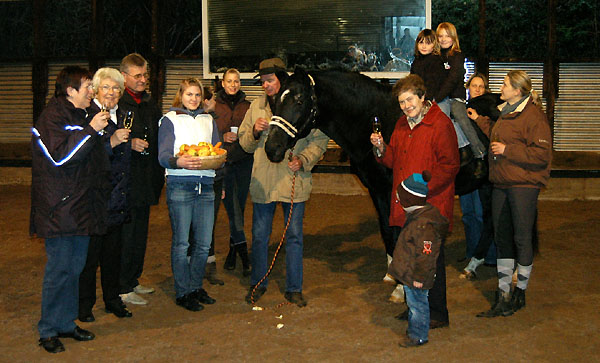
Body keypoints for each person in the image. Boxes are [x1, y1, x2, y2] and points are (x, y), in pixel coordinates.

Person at [371, 74, 459, 328]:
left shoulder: (440, 125)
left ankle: (437, 313)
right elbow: (394, 160)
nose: (406, 106)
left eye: (409, 100)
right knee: (409, 259)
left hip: (430, 207)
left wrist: (421, 190)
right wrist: (381, 149)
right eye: (401, 102)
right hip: (405, 206)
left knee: (430, 263)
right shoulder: (401, 125)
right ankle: (415, 307)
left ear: (422, 97)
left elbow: (450, 166)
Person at [238, 58, 329, 307]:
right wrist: (255, 132)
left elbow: (320, 140)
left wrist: (304, 159)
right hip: (264, 183)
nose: (266, 85)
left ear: (281, 78)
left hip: (293, 180)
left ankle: (294, 288)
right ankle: (258, 283)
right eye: (263, 82)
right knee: (259, 237)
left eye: (270, 80)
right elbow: (244, 143)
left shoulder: (301, 102)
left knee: (295, 237)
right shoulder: (256, 107)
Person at [31, 66, 109, 353]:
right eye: (88, 86)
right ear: (70, 91)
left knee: (74, 269)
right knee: (59, 271)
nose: (93, 91)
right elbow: (60, 157)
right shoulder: (52, 117)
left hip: (79, 207)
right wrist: (91, 131)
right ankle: (48, 330)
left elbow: (92, 157)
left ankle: (65, 322)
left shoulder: (80, 114)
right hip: (59, 209)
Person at [474, 70, 552, 318]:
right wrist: (479, 121)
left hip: (523, 185)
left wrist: (508, 150)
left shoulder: (533, 117)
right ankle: (504, 292)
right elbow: (499, 136)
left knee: (521, 238)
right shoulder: (506, 113)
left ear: (518, 91)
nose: (501, 88)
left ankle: (520, 291)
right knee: (503, 239)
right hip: (502, 183)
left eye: (505, 85)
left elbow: (542, 155)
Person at [158, 77, 220, 311]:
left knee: (203, 244)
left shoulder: (208, 120)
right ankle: (183, 291)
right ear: (180, 95)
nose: (193, 99)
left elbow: (216, 150)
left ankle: (195, 286)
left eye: (197, 95)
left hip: (206, 186)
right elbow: (163, 155)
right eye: (189, 94)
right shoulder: (169, 120)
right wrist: (178, 160)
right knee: (182, 243)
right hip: (180, 185)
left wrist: (216, 161)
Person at [78, 68, 133, 322]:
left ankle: (112, 300)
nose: (112, 93)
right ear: (96, 90)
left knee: (113, 255)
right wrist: (111, 144)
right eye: (106, 87)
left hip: (118, 197)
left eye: (116, 89)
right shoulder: (86, 116)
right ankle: (85, 306)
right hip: (94, 199)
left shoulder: (123, 115)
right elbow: (82, 154)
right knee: (90, 258)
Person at [118, 53, 165, 306]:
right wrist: (129, 144)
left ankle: (133, 279)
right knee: (126, 235)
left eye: (145, 75)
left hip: (147, 180)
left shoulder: (149, 103)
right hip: (126, 182)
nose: (142, 80)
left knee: (140, 234)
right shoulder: (117, 105)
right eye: (137, 76)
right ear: (124, 76)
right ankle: (122, 286)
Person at [388, 171, 449, 348]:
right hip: (411, 275)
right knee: (416, 305)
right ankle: (416, 330)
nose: (398, 200)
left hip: (416, 277)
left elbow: (425, 255)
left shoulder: (423, 226)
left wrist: (419, 277)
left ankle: (418, 335)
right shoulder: (418, 219)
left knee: (418, 306)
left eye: (401, 197)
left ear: (409, 201)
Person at [458, 72, 497, 278]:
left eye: (482, 86)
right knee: (468, 214)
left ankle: (489, 255)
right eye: (475, 86)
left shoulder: (488, 110)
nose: (478, 90)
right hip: (465, 172)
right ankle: (472, 251)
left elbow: (495, 134)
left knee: (482, 213)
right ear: (468, 88)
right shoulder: (461, 110)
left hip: (483, 171)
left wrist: (479, 119)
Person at [214, 69, 252, 276]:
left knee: (240, 206)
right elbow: (208, 131)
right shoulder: (214, 105)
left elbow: (251, 133)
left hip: (243, 161)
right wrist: (222, 134)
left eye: (236, 81)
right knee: (232, 208)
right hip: (222, 163)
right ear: (223, 83)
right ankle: (243, 254)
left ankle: (232, 251)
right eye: (229, 81)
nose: (233, 85)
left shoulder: (247, 106)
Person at [435, 22, 487, 161]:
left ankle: (479, 151)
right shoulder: (437, 56)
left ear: (454, 38)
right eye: (440, 36)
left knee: (461, 118)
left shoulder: (457, 56)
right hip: (442, 97)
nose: (444, 39)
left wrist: (438, 97)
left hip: (455, 97)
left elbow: (452, 79)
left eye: (447, 36)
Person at [410, 29, 444, 102]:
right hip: (418, 97)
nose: (424, 46)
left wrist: (426, 99)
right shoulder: (416, 61)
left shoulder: (436, 61)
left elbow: (433, 84)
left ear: (434, 45)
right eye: (421, 43)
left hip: (433, 99)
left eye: (428, 43)